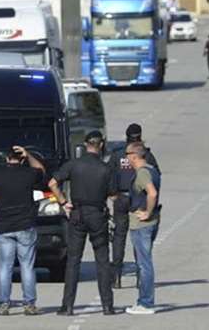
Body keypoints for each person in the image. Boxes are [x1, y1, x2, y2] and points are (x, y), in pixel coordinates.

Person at [48, 131, 116, 316]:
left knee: (73, 261)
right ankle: (107, 306)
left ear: (86, 145)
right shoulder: (105, 168)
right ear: (100, 145)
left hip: (77, 214)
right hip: (97, 214)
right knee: (102, 261)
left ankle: (68, 306)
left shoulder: (74, 165)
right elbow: (113, 195)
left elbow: (52, 183)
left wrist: (63, 202)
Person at [0, 146, 45, 316]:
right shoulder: (29, 174)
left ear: (7, 159)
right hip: (25, 225)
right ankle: (29, 304)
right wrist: (29, 154)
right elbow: (41, 170)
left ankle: (4, 304)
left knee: (5, 266)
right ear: (22, 159)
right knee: (27, 266)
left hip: (4, 226)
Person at [108, 123, 161, 289]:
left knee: (119, 237)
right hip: (138, 200)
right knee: (139, 239)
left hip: (121, 198)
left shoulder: (118, 154)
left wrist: (112, 194)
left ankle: (116, 276)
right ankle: (140, 276)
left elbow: (109, 174)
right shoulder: (145, 155)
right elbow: (156, 175)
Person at [124, 142, 162, 315]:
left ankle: (146, 303)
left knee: (144, 263)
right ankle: (145, 301)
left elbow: (152, 193)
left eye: (127, 155)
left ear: (134, 156)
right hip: (152, 222)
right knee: (144, 262)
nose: (126, 158)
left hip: (142, 224)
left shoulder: (142, 174)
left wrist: (147, 212)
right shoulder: (152, 169)